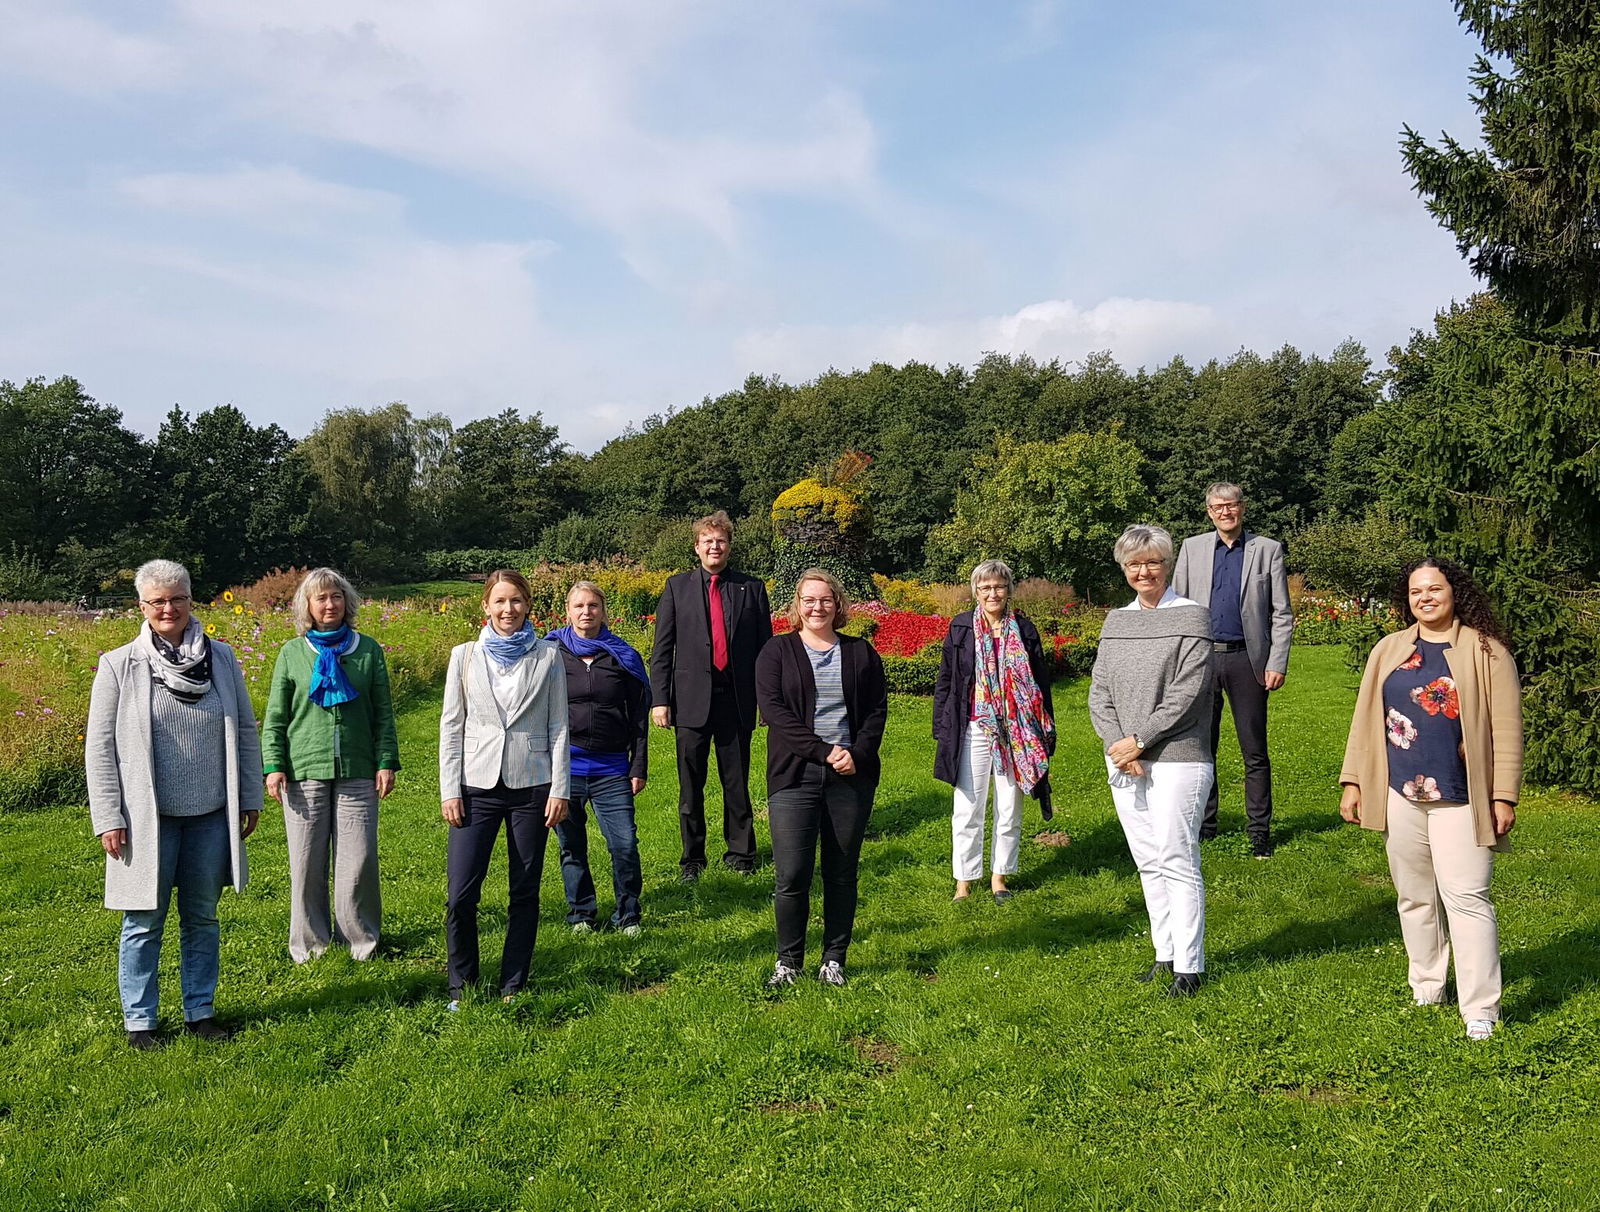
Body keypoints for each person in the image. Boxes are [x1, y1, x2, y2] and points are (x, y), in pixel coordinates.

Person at [1338, 558, 1521, 1041]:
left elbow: (1506, 730)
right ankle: (1427, 986)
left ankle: (1480, 1008)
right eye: (1417, 591)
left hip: (1462, 796)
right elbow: (1365, 720)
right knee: (1415, 897)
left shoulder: (1487, 652)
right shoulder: (1390, 649)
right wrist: (1354, 781)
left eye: (1434, 589)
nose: (1425, 598)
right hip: (1401, 792)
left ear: (1454, 593)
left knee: (1467, 897)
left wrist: (1504, 795)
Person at [85, 559, 262, 1049]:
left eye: (177, 598)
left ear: (191, 600)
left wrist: (248, 796)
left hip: (209, 815)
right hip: (147, 821)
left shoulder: (222, 658)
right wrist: (108, 816)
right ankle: (140, 1021)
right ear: (142, 606)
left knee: (202, 916)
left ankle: (199, 1013)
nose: (169, 608)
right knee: (143, 920)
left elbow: (246, 731)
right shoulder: (120, 664)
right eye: (158, 601)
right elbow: (100, 748)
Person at [1089, 526, 1215, 997]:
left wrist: (1140, 740)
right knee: (1147, 861)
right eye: (1134, 564)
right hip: (1124, 759)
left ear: (1168, 564)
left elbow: (1189, 691)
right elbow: (1099, 691)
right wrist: (1119, 747)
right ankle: (1165, 955)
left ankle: (1190, 965)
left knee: (1177, 857)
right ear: (1124, 570)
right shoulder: (1115, 621)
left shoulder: (1193, 617)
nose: (1144, 571)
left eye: (1152, 562)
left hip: (1178, 757)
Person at [438, 569, 570, 1005]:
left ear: (528, 605)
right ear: (486, 606)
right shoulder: (464, 656)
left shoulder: (548, 657)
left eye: (516, 601)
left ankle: (514, 982)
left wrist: (560, 788)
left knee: (525, 890)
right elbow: (451, 724)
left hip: (532, 785)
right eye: (500, 601)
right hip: (475, 785)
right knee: (460, 895)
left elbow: (558, 727)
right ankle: (462, 984)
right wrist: (449, 789)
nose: (508, 609)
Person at [755, 569, 889, 988]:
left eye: (825, 600)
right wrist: (823, 751)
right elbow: (776, 713)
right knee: (792, 873)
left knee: (841, 871)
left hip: (850, 776)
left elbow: (875, 712)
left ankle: (834, 958)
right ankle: (788, 962)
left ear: (838, 605)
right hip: (794, 774)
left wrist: (856, 754)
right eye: (809, 600)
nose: (817, 607)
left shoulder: (861, 653)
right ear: (797, 606)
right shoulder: (776, 652)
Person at [262, 567, 400, 963]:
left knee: (358, 860)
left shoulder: (367, 649)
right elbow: (275, 718)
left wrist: (385, 760)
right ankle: (310, 945)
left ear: (347, 602)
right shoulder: (292, 653)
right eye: (320, 598)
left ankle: (361, 941)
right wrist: (274, 765)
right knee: (306, 861)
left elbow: (384, 714)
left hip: (358, 768)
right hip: (303, 769)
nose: (329, 604)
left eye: (336, 596)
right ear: (307, 605)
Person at [649, 511, 773, 879]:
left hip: (736, 699)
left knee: (736, 782)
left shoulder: (751, 588)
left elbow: (766, 651)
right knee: (691, 786)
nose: (714, 547)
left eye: (720, 541)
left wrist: (767, 701)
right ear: (697, 548)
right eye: (708, 541)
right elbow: (662, 648)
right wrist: (660, 700)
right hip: (689, 701)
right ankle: (693, 858)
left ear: (729, 547)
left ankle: (741, 853)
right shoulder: (676, 587)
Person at [1171, 482, 1293, 857]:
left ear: (1242, 508)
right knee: (1200, 747)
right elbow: (1176, 607)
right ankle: (1204, 826)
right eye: (1218, 506)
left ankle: (1259, 831)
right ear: (1209, 512)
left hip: (1247, 661)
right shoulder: (1192, 548)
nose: (1226, 512)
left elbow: (1281, 613)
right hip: (1201, 659)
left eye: (1232, 505)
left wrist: (1277, 662)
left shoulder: (1267, 550)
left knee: (1254, 750)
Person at [933, 559, 1055, 903]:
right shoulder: (961, 628)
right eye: (985, 587)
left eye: (998, 586)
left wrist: (1045, 730)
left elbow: (1040, 685)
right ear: (976, 591)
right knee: (968, 807)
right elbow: (946, 680)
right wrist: (942, 727)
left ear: (1009, 590)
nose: (992, 593)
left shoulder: (1025, 630)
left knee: (1009, 806)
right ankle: (964, 881)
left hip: (1017, 731)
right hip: (973, 726)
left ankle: (1000, 877)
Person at [547, 581, 650, 935]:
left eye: (593, 606)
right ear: (568, 611)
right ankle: (581, 913)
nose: (586, 612)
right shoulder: (549, 653)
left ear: (603, 611)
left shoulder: (623, 656)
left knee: (624, 844)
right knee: (571, 846)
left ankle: (629, 915)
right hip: (564, 769)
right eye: (579, 606)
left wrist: (638, 765)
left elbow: (639, 717)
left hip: (612, 769)